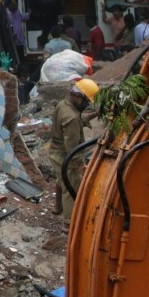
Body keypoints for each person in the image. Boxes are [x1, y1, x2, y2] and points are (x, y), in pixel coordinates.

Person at [50, 79, 97, 222]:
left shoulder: (63, 104)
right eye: (86, 101)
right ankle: (69, 223)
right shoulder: (72, 118)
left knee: (61, 180)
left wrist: (95, 114)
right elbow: (72, 149)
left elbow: (75, 120)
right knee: (71, 189)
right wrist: (80, 165)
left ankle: (57, 208)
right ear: (78, 96)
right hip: (66, 157)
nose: (87, 104)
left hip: (55, 152)